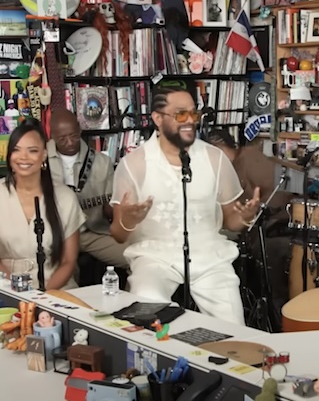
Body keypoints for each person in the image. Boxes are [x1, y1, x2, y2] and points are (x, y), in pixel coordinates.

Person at [111, 86, 261, 325]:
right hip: (154, 257)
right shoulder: (133, 164)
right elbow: (118, 235)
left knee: (233, 324)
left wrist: (245, 217)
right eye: (181, 114)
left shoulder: (215, 158)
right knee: (147, 310)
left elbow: (232, 221)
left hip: (209, 256)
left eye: (194, 114)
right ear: (158, 119)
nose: (190, 120)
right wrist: (128, 220)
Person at [0, 120, 86, 290]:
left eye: (32, 151)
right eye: (16, 150)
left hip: (57, 291)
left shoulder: (65, 197)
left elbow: (68, 261)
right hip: (7, 288)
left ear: (44, 155)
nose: (23, 157)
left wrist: (45, 296)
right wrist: (20, 294)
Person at [205, 128, 294, 310]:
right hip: (250, 225)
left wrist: (259, 208)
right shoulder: (227, 168)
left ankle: (271, 310)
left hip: (273, 225)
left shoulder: (249, 159)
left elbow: (283, 189)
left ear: (219, 147)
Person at [46, 108, 127, 269]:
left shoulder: (102, 162)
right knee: (62, 274)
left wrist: (124, 209)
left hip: (92, 232)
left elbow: (109, 208)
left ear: (79, 129)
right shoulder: (41, 160)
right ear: (52, 136)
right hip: (53, 235)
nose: (69, 142)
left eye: (74, 136)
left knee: (137, 259)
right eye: (62, 139)